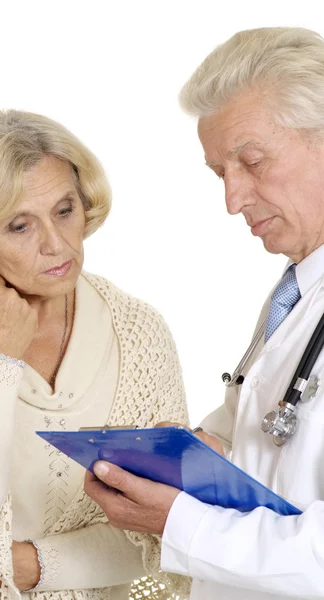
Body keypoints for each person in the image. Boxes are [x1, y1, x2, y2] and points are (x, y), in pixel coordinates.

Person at [84, 27, 324, 600]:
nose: (232, 199)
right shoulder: (297, 291)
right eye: (221, 173)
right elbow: (282, 441)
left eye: (252, 162)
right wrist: (208, 453)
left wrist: (178, 523)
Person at [0, 109, 190, 600]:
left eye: (65, 211)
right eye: (20, 226)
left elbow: (166, 528)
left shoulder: (139, 333)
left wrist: (32, 564)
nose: (56, 244)